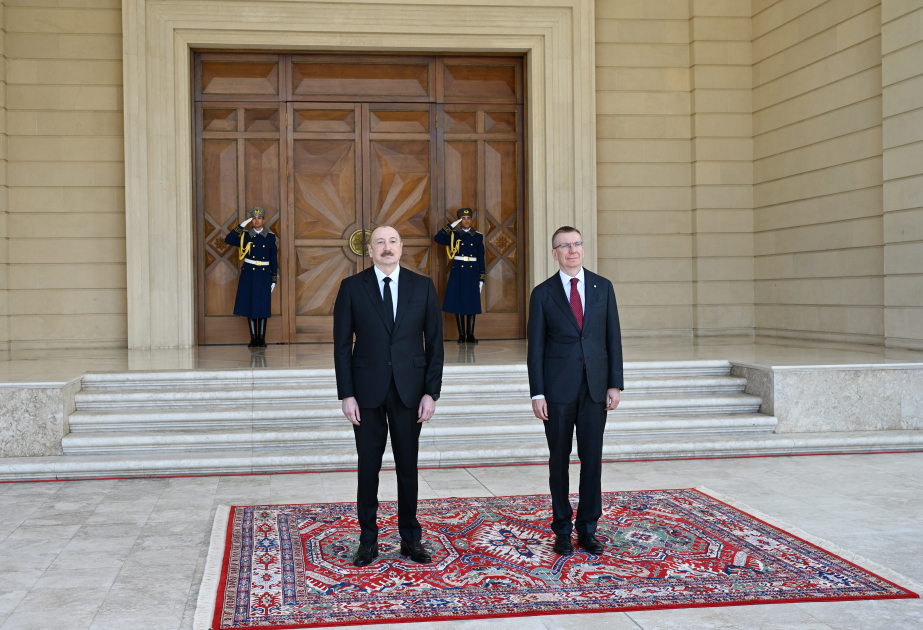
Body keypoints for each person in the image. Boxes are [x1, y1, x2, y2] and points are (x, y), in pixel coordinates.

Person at [333, 225, 444, 567]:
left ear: (401, 248)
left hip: (410, 392)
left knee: (407, 468)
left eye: (392, 241)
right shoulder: (352, 288)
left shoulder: (423, 286)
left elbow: (435, 344)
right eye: (380, 242)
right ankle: (368, 541)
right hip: (366, 392)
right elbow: (341, 346)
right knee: (369, 467)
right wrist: (346, 395)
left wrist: (431, 392)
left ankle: (411, 538)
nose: (386, 247)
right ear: (369, 250)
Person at [526, 226, 623, 557]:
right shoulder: (542, 294)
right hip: (557, 390)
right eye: (564, 246)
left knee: (592, 459)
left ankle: (588, 528)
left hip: (595, 388)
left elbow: (613, 340)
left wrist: (615, 383)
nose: (572, 250)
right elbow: (535, 349)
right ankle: (562, 529)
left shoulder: (603, 287)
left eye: (577, 244)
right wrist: (537, 393)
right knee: (559, 462)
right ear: (554, 253)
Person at [224, 207, 278, 347]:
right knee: (250, 305)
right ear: (251, 220)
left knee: (263, 306)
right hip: (249, 273)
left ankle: (262, 338)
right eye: (253, 218)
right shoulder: (245, 235)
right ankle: (253, 338)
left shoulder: (270, 237)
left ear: (263, 220)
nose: (256, 220)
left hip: (264, 273)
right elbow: (228, 239)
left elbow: (273, 259)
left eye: (259, 218)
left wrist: (273, 278)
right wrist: (242, 225)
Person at [433, 207, 485, 343]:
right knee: (458, 303)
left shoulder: (478, 236)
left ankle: (471, 334)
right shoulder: (454, 235)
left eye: (468, 218)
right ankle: (461, 335)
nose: (466, 221)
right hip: (458, 271)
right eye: (463, 219)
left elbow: (481, 257)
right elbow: (438, 238)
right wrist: (451, 226)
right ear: (460, 221)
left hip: (472, 271)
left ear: (472, 220)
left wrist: (482, 277)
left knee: (472, 303)